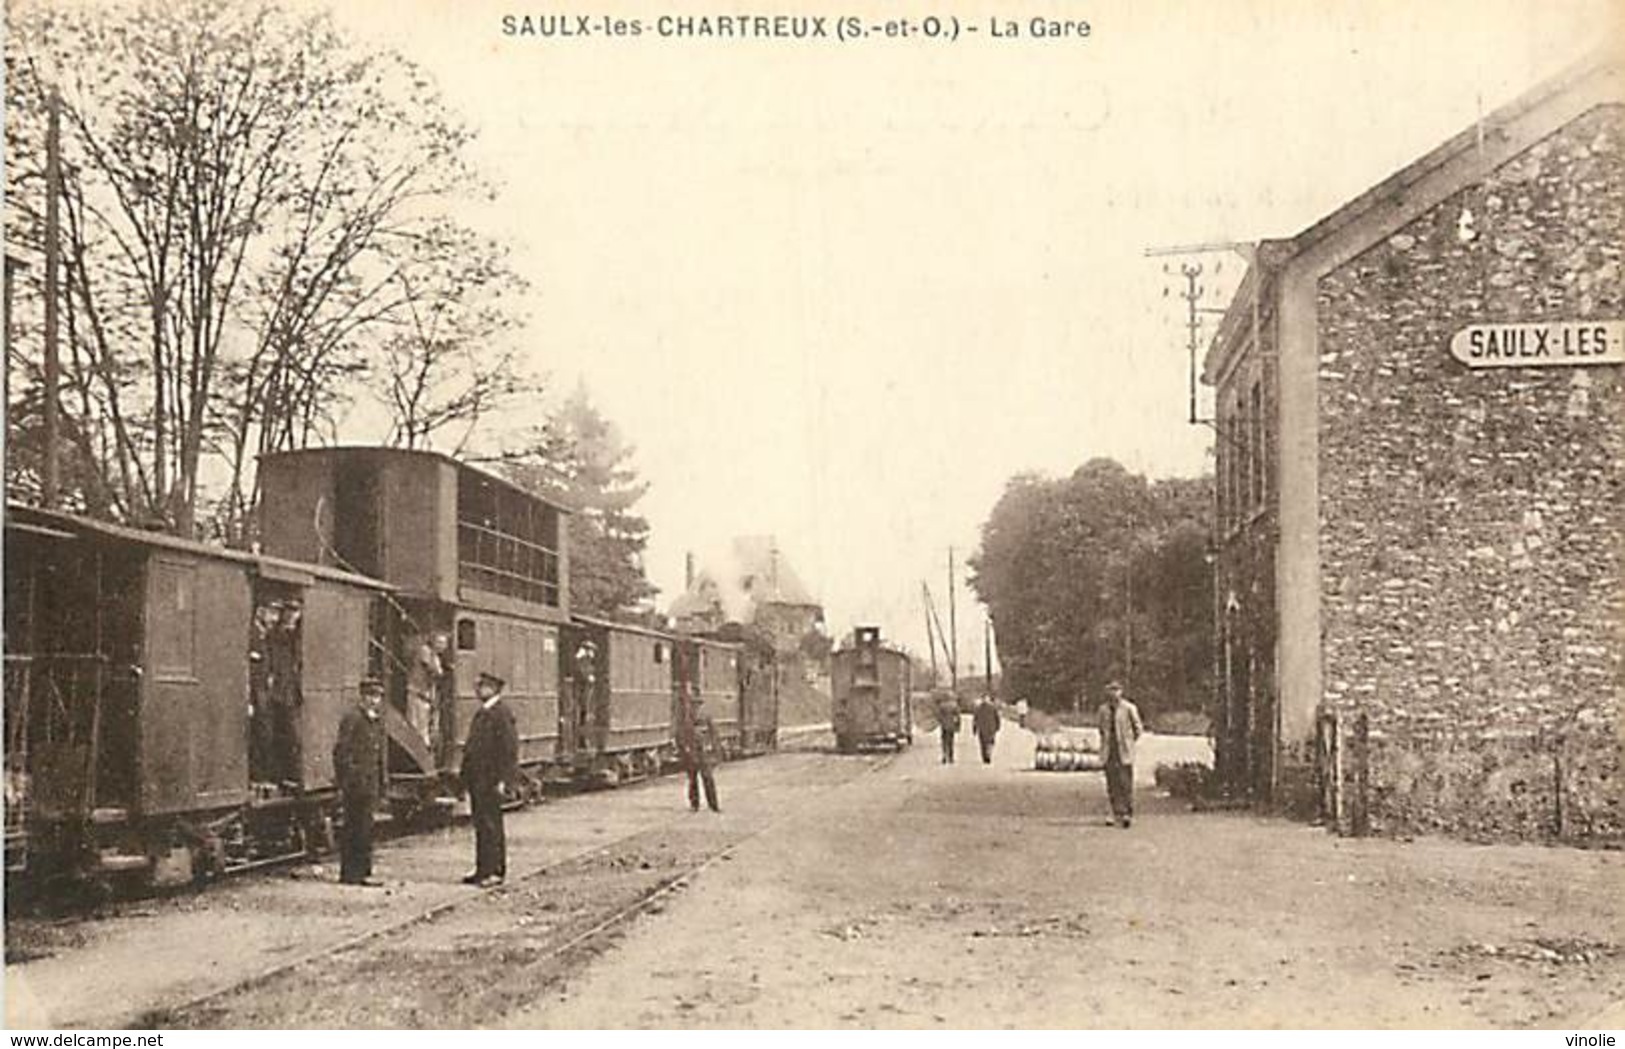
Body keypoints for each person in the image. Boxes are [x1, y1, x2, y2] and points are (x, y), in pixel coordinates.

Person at [460, 671, 518, 887]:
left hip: (492, 779)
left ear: (493, 689)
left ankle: (495, 871)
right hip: (479, 779)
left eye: (483, 686)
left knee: (492, 825)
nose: (478, 689)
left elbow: (509, 750)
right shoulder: (483, 713)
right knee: (482, 824)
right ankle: (483, 869)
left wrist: (504, 780)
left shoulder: (501, 713)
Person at [332, 677, 385, 886]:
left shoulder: (374, 720)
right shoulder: (353, 718)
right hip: (356, 783)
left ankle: (362, 871)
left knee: (365, 827)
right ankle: (352, 874)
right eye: (370, 696)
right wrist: (348, 776)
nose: (374, 700)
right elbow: (341, 751)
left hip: (369, 781)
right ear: (362, 697)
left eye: (377, 696)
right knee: (355, 827)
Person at [1097, 680, 1145, 828]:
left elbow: (1138, 728)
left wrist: (1129, 742)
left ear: (1121, 691)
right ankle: (1114, 812)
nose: (1114, 693)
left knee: (1125, 783)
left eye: (1116, 690)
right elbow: (1101, 729)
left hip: (1124, 751)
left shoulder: (1129, 708)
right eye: (1111, 690)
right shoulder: (1103, 710)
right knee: (1112, 783)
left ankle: (1127, 813)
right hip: (1109, 751)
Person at [677, 688, 721, 812]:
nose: (695, 706)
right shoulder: (687, 717)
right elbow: (682, 733)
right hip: (693, 752)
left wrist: (714, 749)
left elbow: (714, 734)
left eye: (696, 703)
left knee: (707, 778)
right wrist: (685, 747)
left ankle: (713, 804)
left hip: (703, 751)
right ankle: (695, 804)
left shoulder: (705, 716)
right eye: (693, 703)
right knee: (693, 780)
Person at [406, 631, 446, 754]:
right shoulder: (425, 651)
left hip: (426, 695)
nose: (443, 646)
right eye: (439, 642)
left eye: (444, 643)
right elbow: (434, 670)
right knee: (416, 725)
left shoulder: (434, 655)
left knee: (424, 725)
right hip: (418, 693)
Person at [973, 695, 1002, 765]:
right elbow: (997, 717)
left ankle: (984, 756)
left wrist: (974, 728)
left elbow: (975, 719)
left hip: (982, 728)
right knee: (990, 742)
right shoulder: (993, 707)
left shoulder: (978, 708)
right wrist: (998, 726)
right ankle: (988, 754)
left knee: (983, 744)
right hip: (991, 728)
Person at [934, 690, 959, 764]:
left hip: (944, 726)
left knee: (944, 742)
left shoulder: (942, 705)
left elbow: (938, 716)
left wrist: (941, 722)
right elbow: (957, 716)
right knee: (951, 742)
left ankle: (944, 755)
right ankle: (951, 757)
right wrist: (957, 726)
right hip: (951, 726)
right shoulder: (954, 705)